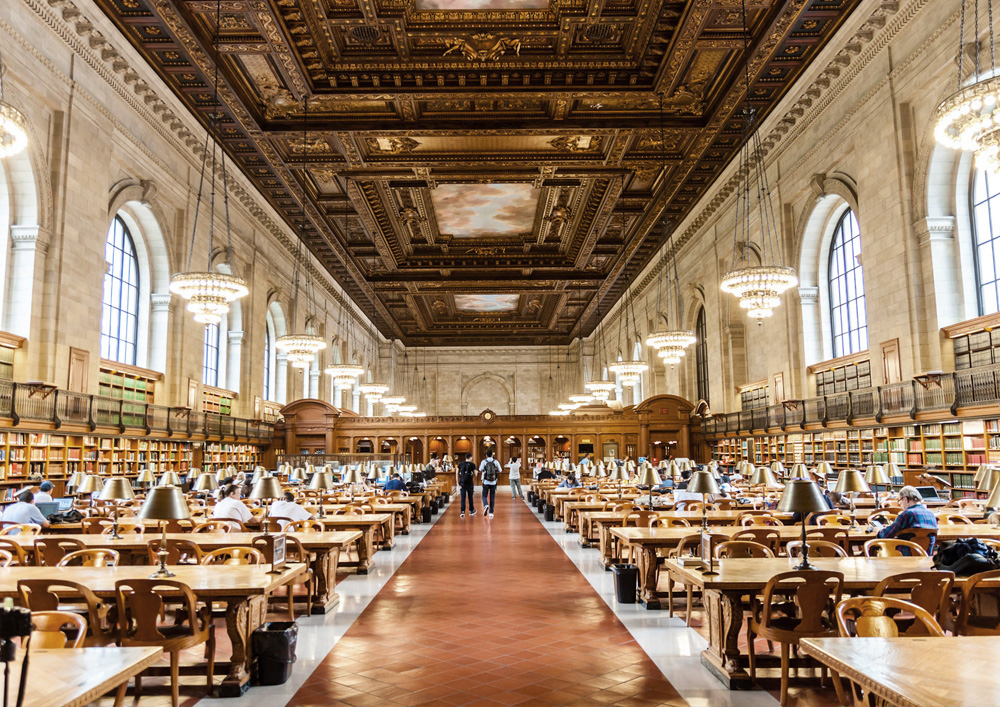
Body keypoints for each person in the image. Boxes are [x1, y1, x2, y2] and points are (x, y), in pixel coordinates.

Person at [875, 485, 939, 553]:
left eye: (900, 501)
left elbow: (886, 535)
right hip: (926, 555)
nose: (900, 505)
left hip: (905, 555)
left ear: (905, 499)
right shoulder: (931, 514)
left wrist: (878, 531)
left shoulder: (906, 514)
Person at [479, 450, 501, 518]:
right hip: (493, 482)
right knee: (492, 496)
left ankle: (486, 505)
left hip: (485, 481)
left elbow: (480, 469)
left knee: (484, 495)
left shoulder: (484, 461)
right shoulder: (496, 461)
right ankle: (491, 512)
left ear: (486, 455)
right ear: (492, 455)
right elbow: (500, 470)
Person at [456, 453, 477, 517]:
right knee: (470, 497)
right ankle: (471, 510)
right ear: (470, 457)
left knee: (463, 498)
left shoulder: (460, 464)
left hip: (462, 483)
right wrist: (476, 472)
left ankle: (462, 512)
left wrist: (457, 483)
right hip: (470, 483)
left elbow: (456, 473)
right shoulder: (473, 464)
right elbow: (476, 475)